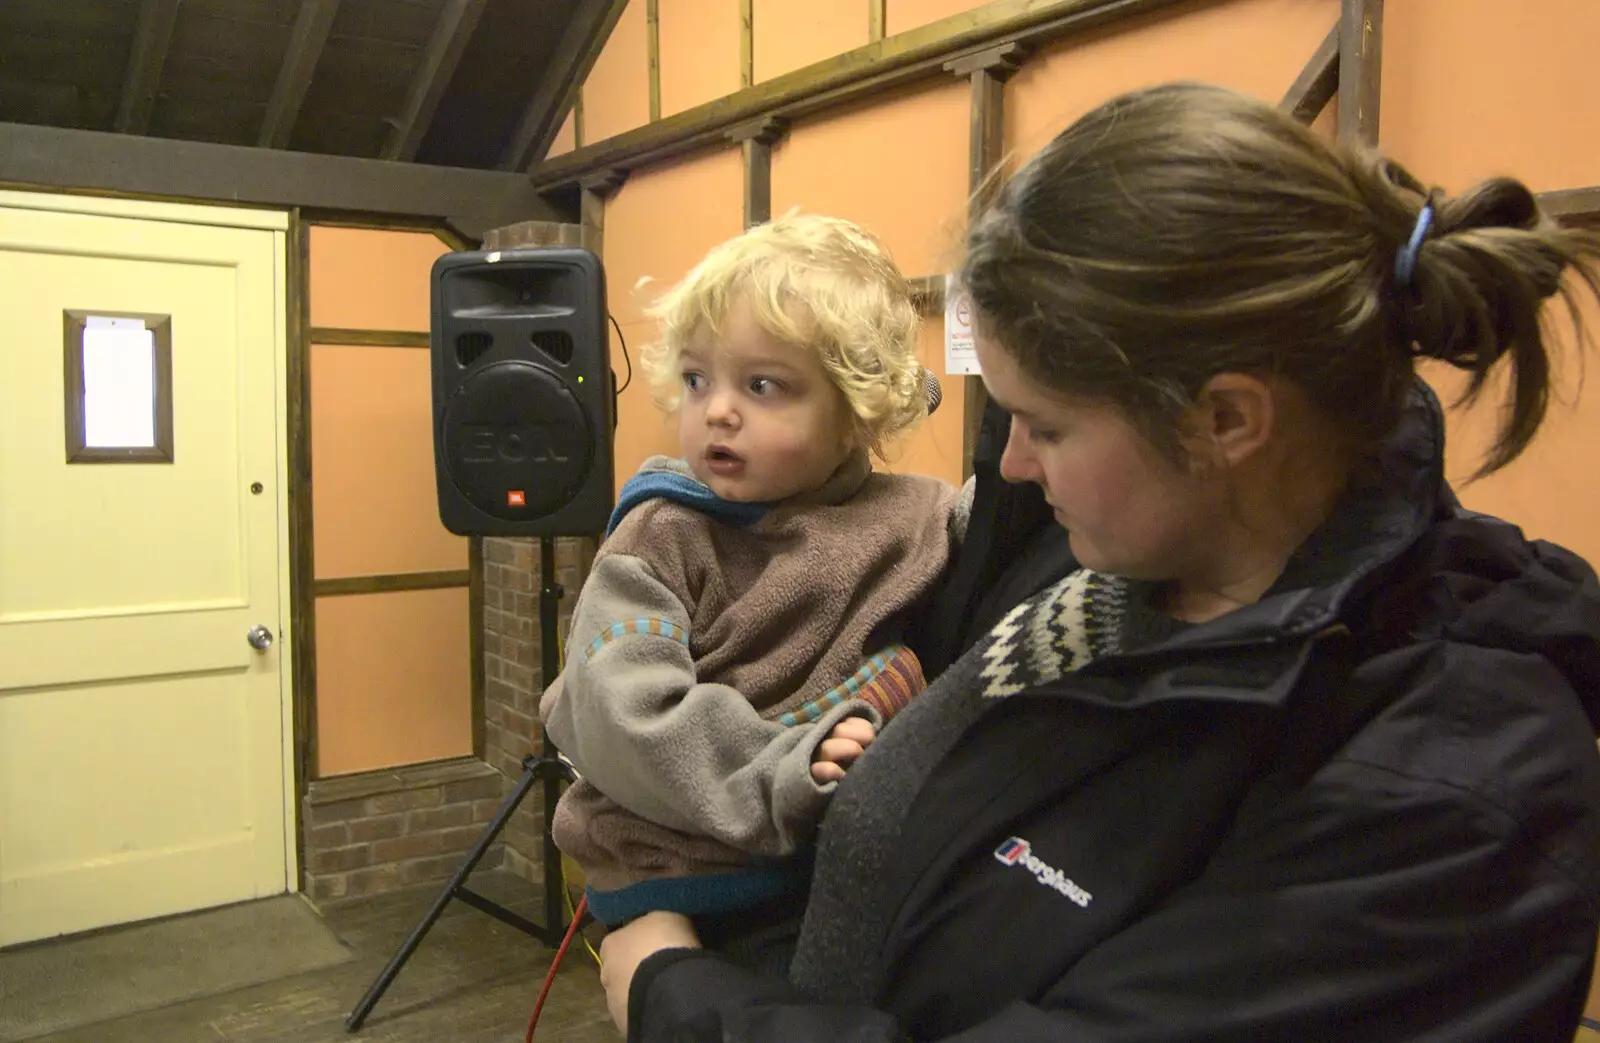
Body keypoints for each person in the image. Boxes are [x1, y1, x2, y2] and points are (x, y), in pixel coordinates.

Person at [596, 81, 1600, 1042]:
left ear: (1223, 419)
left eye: (1047, 424)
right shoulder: (1108, 547)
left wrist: (671, 990)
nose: (1016, 463)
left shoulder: (1446, 810)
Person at [538, 212, 957, 957]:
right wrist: (777, 771)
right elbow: (618, 713)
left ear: (858, 410)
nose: (717, 410)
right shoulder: (661, 536)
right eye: (698, 379)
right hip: (683, 873)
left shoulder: (912, 512)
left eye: (762, 384)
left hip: (830, 866)